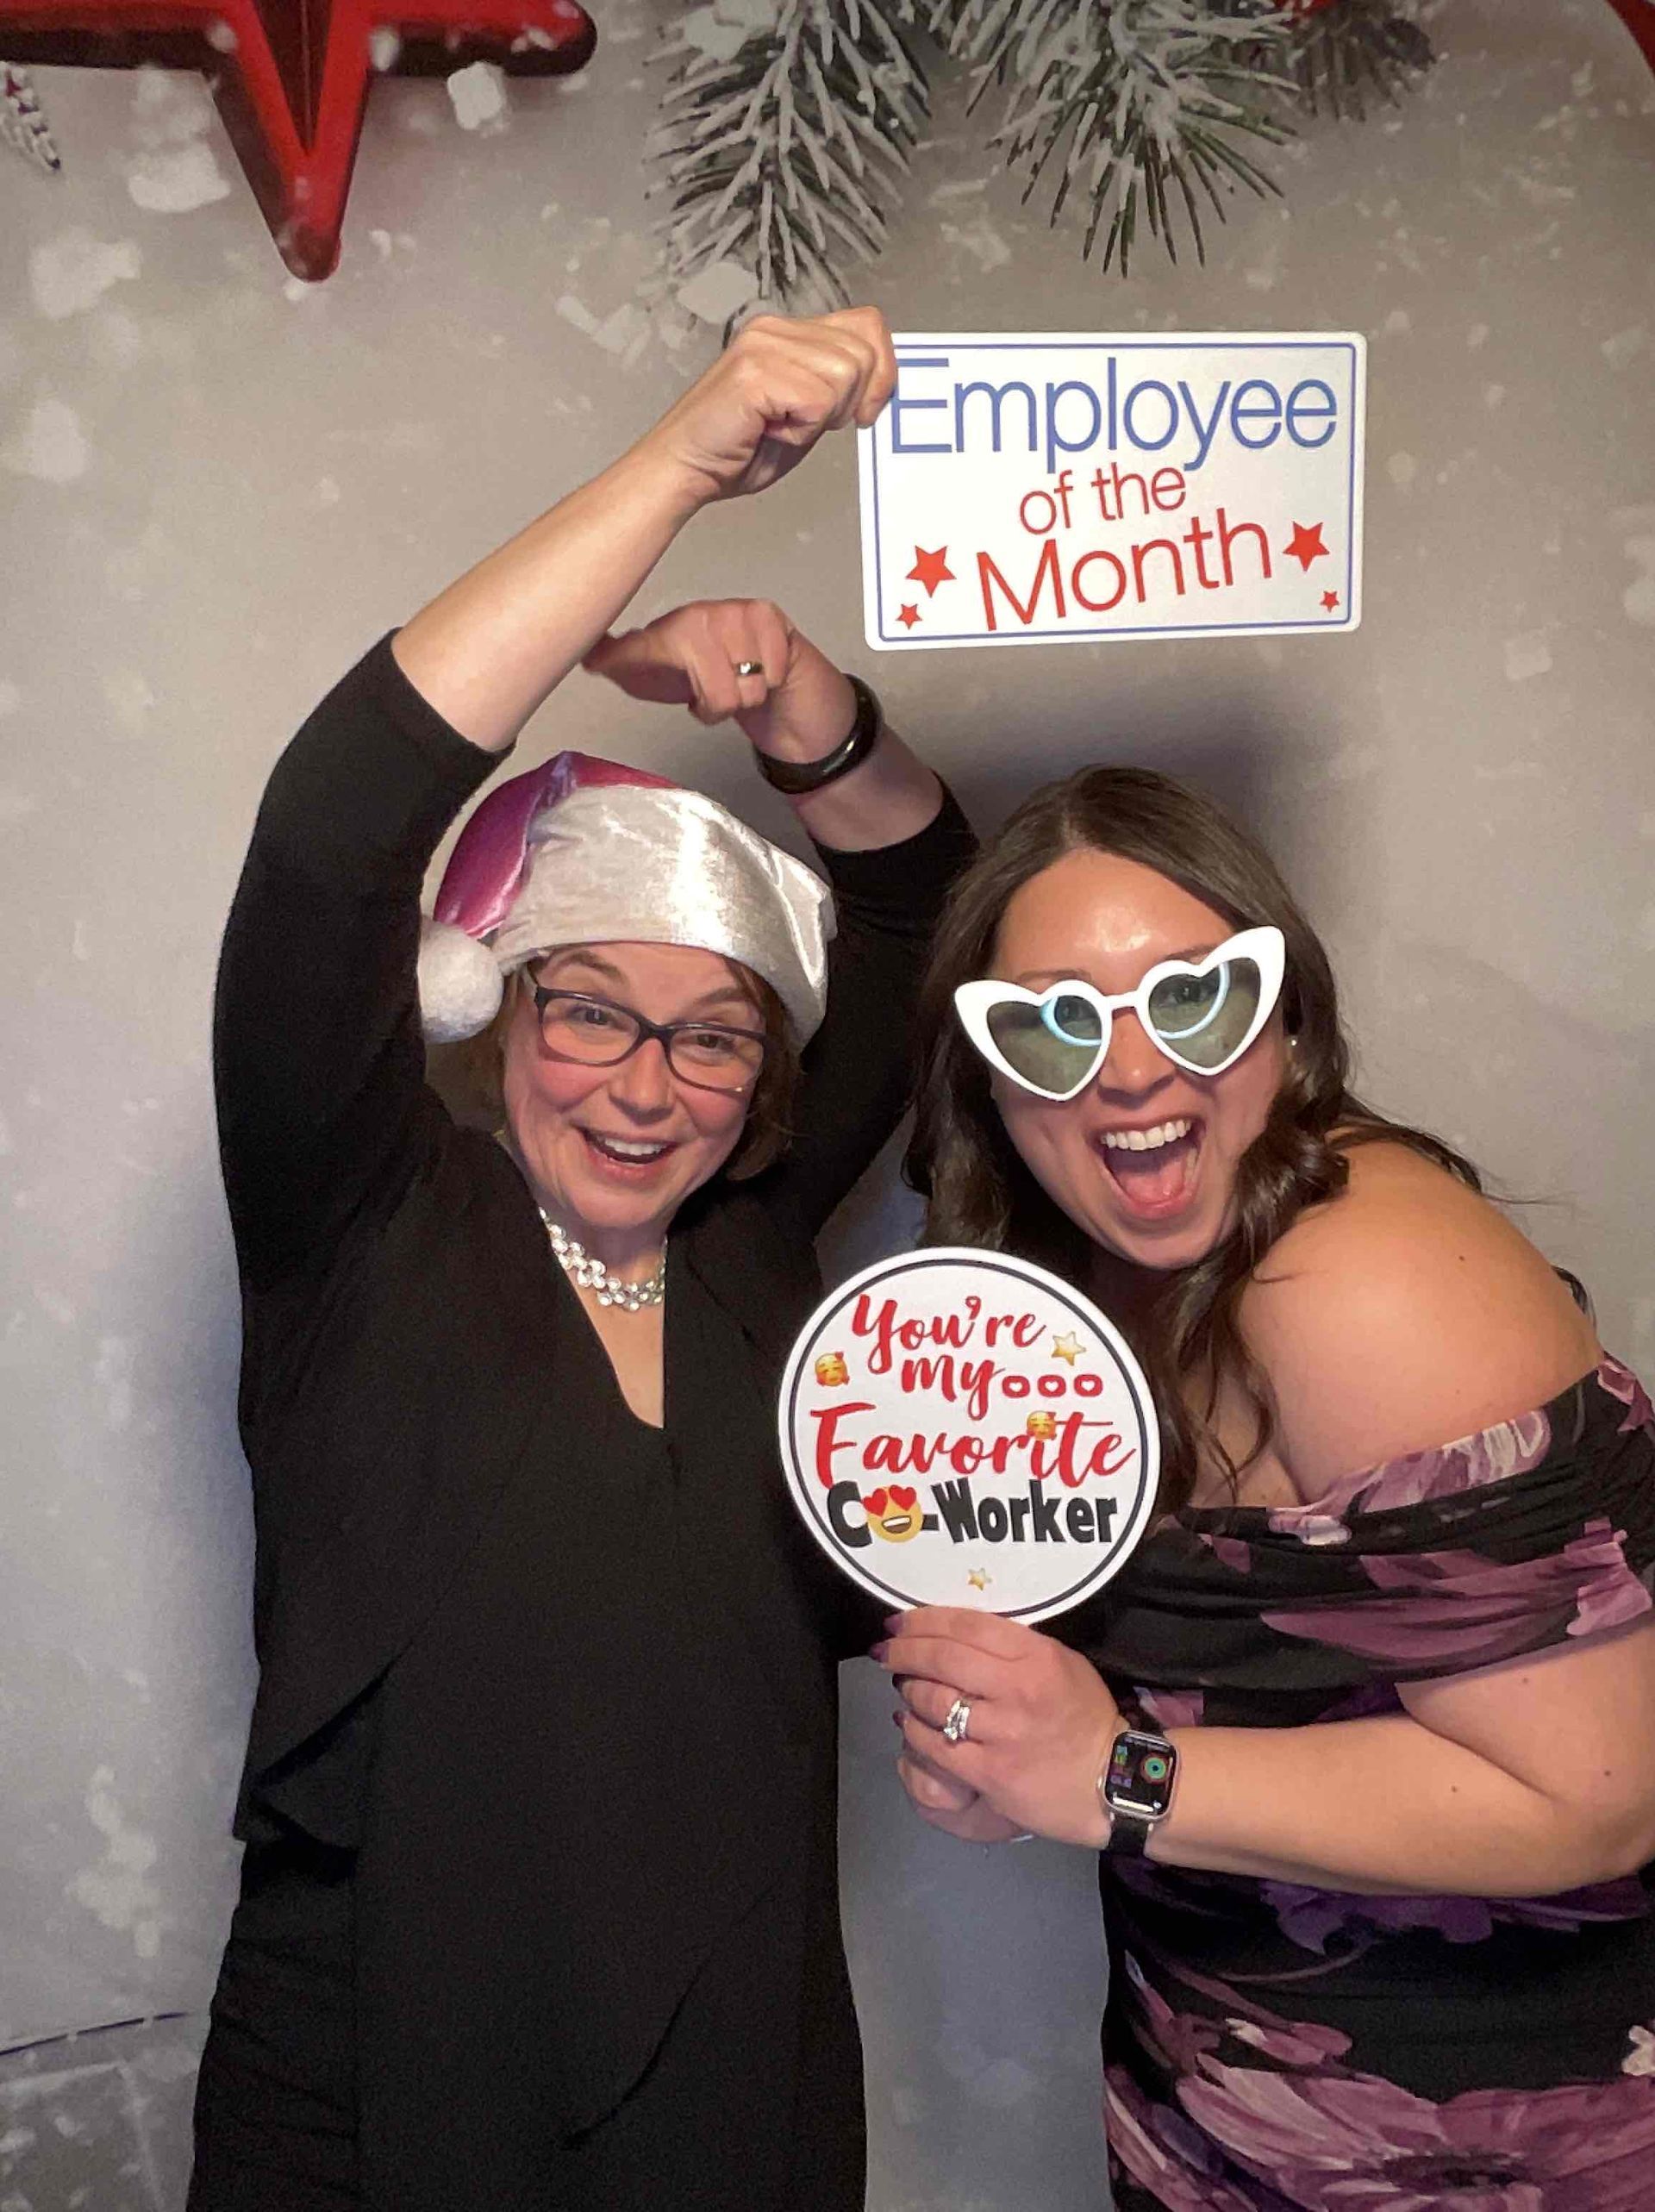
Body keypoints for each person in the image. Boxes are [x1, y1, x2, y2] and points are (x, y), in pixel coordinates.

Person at [191, 307, 974, 2212]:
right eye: (591, 1010)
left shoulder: (754, 1245)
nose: (646, 1085)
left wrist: (809, 714)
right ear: (498, 1009)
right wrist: (682, 465)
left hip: (739, 2087)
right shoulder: (358, 1218)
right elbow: (331, 833)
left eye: (712, 1035)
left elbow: (931, 912)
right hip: (375, 2095)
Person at [876, 765, 1655, 2208]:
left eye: (1195, 998)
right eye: (1051, 1022)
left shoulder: (1360, 1283)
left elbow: (1592, 1796)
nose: (1130, 1071)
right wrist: (1014, 1754)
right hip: (1220, 2107)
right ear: (987, 1073)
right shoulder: (1065, 1291)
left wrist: (1110, 1774)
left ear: (1286, 1016)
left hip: (1486, 2135)